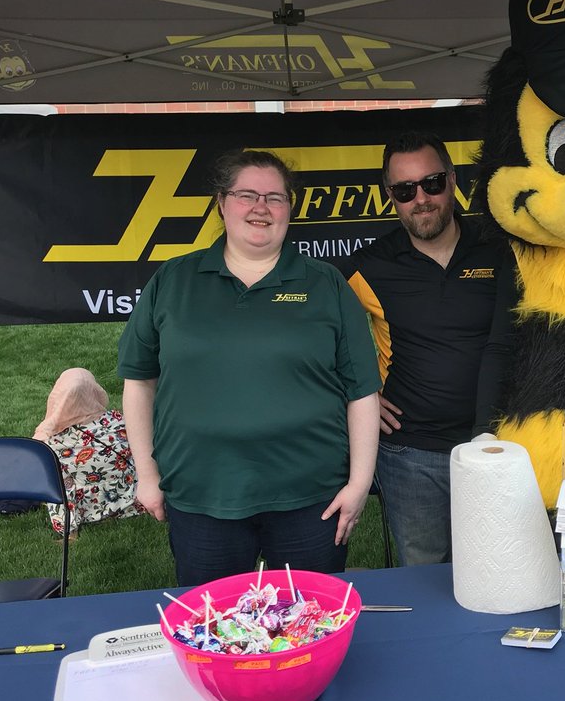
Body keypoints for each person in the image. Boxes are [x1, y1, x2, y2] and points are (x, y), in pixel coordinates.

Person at [118, 149, 380, 586]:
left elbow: (362, 392)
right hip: (201, 493)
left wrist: (358, 485)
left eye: (275, 197)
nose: (261, 207)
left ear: (289, 209)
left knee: (306, 626)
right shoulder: (173, 281)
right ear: (222, 203)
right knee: (213, 627)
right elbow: (138, 382)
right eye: (246, 195)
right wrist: (147, 475)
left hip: (310, 496)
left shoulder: (325, 283)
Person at [339, 132, 510, 566]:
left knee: (498, 566)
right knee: (423, 574)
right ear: (390, 196)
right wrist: (353, 394)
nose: (422, 199)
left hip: (499, 443)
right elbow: (308, 331)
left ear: (452, 181)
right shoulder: (370, 264)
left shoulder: (500, 248)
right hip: (410, 453)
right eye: (405, 190)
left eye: (432, 183)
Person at [33, 367, 140, 537]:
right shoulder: (118, 421)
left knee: (54, 476)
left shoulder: (54, 443)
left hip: (89, 509)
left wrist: (67, 529)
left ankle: (71, 531)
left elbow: (64, 488)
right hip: (131, 502)